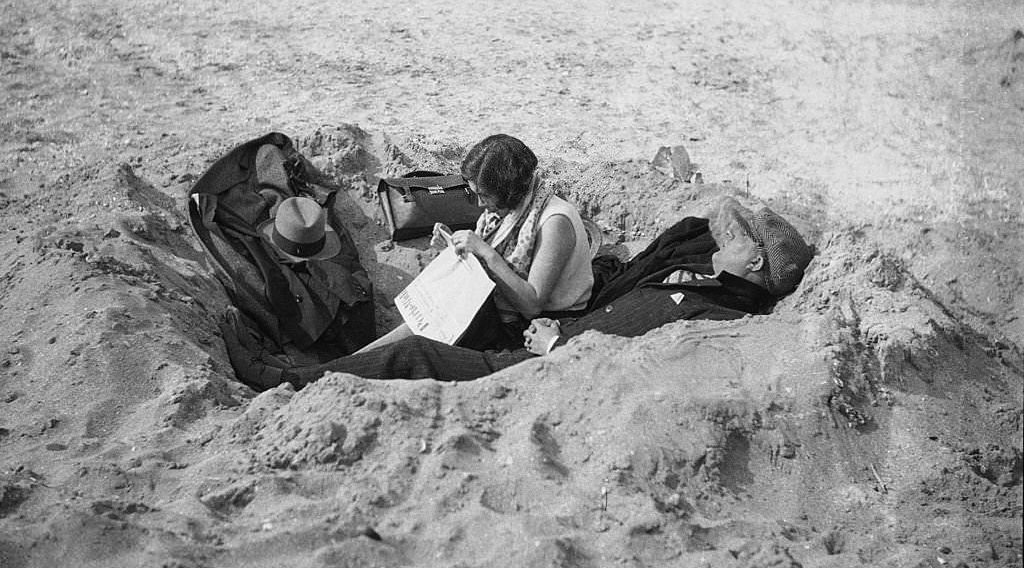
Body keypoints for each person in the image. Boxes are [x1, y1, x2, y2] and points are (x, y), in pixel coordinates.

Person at [220, 195, 813, 390]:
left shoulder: (718, 313)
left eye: (738, 242)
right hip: (552, 341)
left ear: (756, 262)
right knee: (436, 325)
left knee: (414, 354)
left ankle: (279, 380)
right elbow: (696, 239)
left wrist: (559, 347)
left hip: (542, 364)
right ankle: (313, 370)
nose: (721, 242)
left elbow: (648, 366)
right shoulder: (707, 276)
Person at [357, 134, 595, 354]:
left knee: (423, 341)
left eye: (485, 196)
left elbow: (532, 305)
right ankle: (355, 361)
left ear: (508, 192)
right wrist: (453, 248)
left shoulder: (554, 221)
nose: (480, 204)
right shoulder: (515, 207)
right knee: (426, 321)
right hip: (504, 310)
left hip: (542, 323)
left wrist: (485, 253)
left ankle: (355, 364)